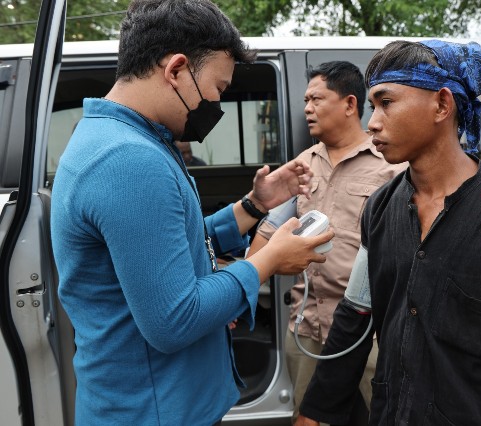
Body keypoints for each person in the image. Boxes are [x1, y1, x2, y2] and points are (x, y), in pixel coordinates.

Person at [50, 1, 333, 425]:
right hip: (157, 412)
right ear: (177, 70)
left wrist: (253, 206)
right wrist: (269, 261)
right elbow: (174, 319)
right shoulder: (129, 159)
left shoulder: (118, 137)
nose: (216, 103)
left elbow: (165, 245)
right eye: (218, 88)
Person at [296, 40, 481, 426]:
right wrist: (315, 410)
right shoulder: (380, 207)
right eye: (373, 106)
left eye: (386, 102)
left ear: (442, 105)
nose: (372, 122)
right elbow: (356, 310)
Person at [247, 61, 405, 424]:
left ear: (350, 104)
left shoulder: (391, 166)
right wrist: (238, 291)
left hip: (371, 331)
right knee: (307, 418)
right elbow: (267, 235)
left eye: (316, 99)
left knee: (386, 415)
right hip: (309, 328)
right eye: (305, 100)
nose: (307, 108)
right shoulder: (302, 166)